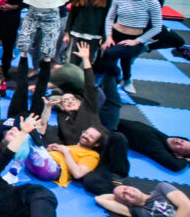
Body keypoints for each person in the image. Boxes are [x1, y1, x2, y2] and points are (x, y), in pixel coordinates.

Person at [5, 0, 97, 118]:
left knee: (47, 56)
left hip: (52, 16)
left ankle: (38, 101)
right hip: (32, 13)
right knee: (23, 51)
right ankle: (20, 97)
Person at [45, 42, 129, 195]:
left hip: (102, 152)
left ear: (79, 101)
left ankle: (118, 175)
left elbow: (90, 86)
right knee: (89, 182)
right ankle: (117, 193)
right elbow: (60, 139)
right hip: (84, 158)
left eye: (71, 99)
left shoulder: (88, 108)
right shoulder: (62, 118)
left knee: (119, 137)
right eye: (65, 100)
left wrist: (86, 60)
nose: (68, 101)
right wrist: (55, 147)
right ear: (62, 106)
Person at [99, 0, 162, 110]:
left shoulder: (152, 2)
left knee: (112, 55)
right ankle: (118, 79)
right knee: (109, 59)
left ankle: (121, 78)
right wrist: (108, 37)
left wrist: (137, 41)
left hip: (135, 38)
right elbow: (110, 18)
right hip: (116, 34)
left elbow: (157, 27)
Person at [64, 0, 113, 66]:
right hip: (78, 31)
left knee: (89, 62)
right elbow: (72, 14)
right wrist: (67, 32)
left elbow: (108, 18)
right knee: (74, 61)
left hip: (95, 34)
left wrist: (104, 37)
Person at [116, 119, 190, 173]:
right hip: (117, 120)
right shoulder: (167, 138)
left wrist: (185, 160)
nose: (178, 141)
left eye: (180, 146)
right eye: (182, 141)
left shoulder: (158, 149)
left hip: (113, 130)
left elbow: (176, 166)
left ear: (177, 154)